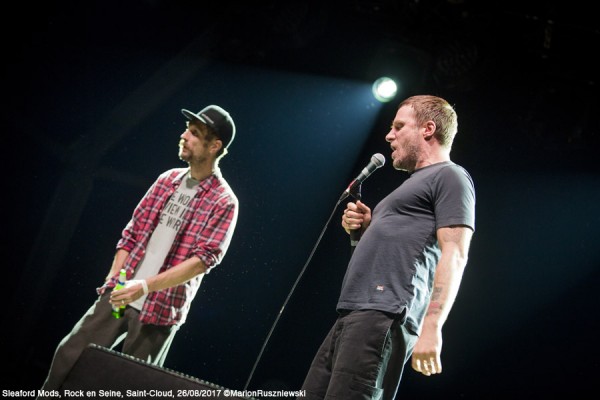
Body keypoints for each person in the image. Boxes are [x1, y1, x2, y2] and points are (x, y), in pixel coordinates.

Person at [39, 105, 239, 392]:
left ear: (214, 145)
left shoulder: (224, 201)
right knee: (69, 356)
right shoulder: (167, 180)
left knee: (129, 387)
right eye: (187, 130)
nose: (184, 136)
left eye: (194, 134)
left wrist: (143, 287)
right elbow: (132, 234)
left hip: (158, 310)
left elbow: (202, 261)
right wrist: (114, 278)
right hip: (120, 294)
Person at [299, 95, 476, 399]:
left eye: (398, 126)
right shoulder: (409, 187)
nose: (389, 135)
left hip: (383, 314)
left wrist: (432, 325)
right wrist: (365, 229)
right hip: (354, 313)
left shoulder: (450, 175)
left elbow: (456, 253)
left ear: (428, 129)